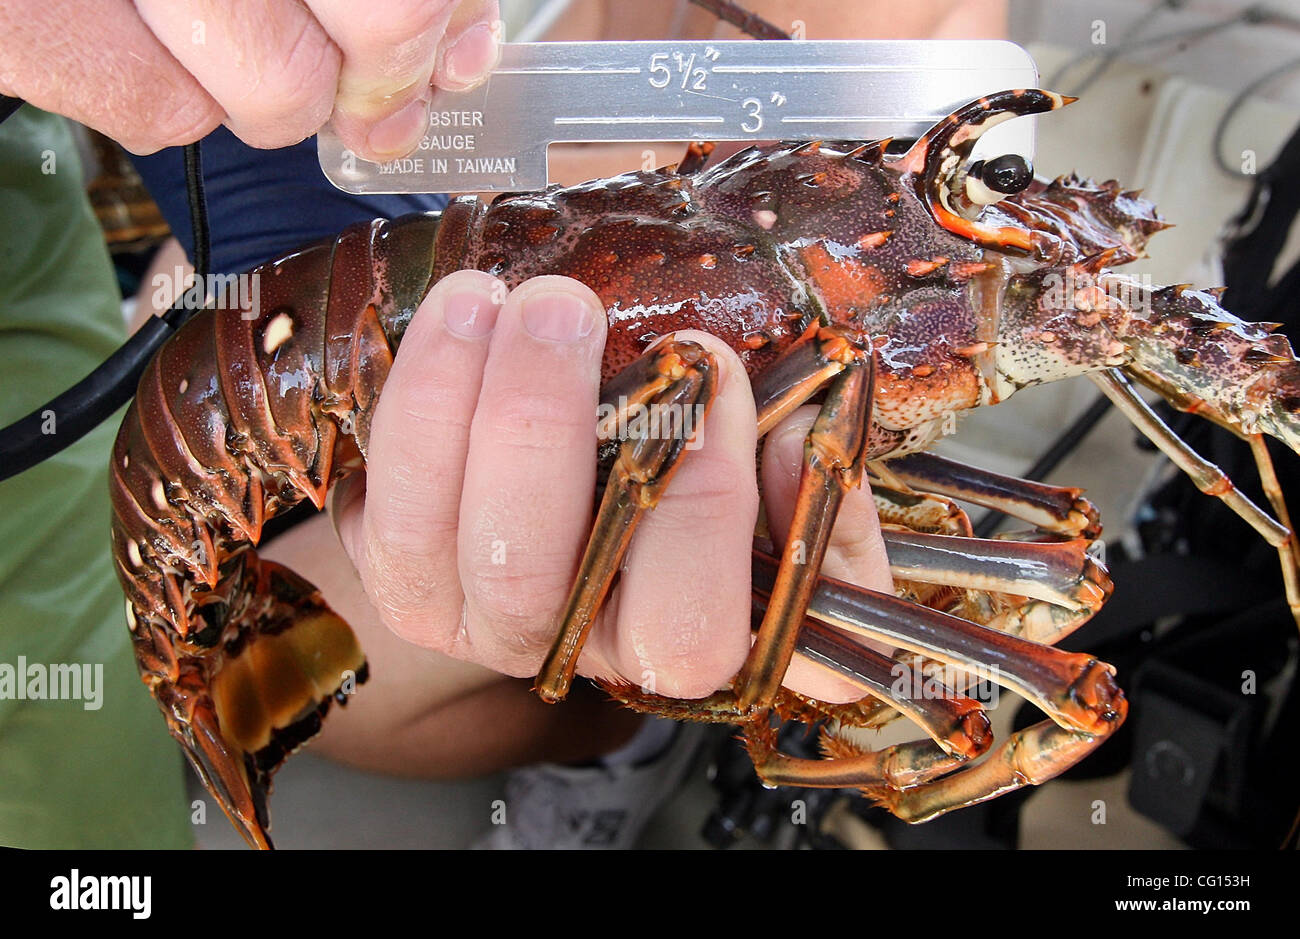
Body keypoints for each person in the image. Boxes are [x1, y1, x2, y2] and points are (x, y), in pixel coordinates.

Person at [0, 0, 1003, 848]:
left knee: (333, 668)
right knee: (322, 685)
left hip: (367, 184)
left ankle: (652, 707)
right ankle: (638, 728)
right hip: (326, 258)